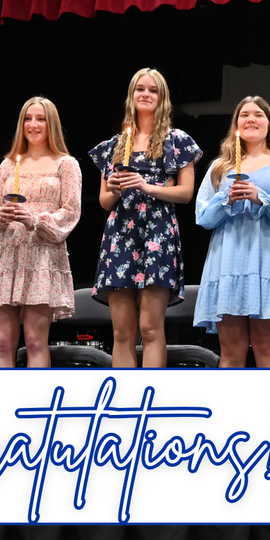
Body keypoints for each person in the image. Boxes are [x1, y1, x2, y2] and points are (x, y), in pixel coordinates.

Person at [90, 68, 202, 368]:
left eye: (152, 90)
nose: (145, 94)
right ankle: (124, 401)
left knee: (151, 329)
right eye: (140, 89)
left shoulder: (177, 141)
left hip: (157, 234)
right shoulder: (115, 145)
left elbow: (186, 193)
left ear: (162, 98)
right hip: (121, 235)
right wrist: (114, 188)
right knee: (122, 331)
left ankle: (150, 400)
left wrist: (145, 186)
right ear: (131, 96)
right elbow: (104, 201)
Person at [193, 96, 270, 367]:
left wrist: (262, 198)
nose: (251, 119)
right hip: (228, 261)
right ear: (236, 125)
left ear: (269, 124)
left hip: (268, 260)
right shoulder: (219, 168)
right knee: (231, 350)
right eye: (244, 115)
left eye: (258, 114)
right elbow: (202, 216)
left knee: (266, 346)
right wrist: (225, 200)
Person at [0, 97, 82, 368]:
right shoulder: (8, 165)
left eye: (40, 119)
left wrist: (36, 221)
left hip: (41, 257)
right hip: (5, 256)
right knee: (4, 342)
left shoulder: (65, 164)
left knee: (34, 340)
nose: (33, 124)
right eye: (28, 119)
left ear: (51, 124)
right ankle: (1, 406)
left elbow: (71, 213)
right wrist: (1, 214)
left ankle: (35, 406)